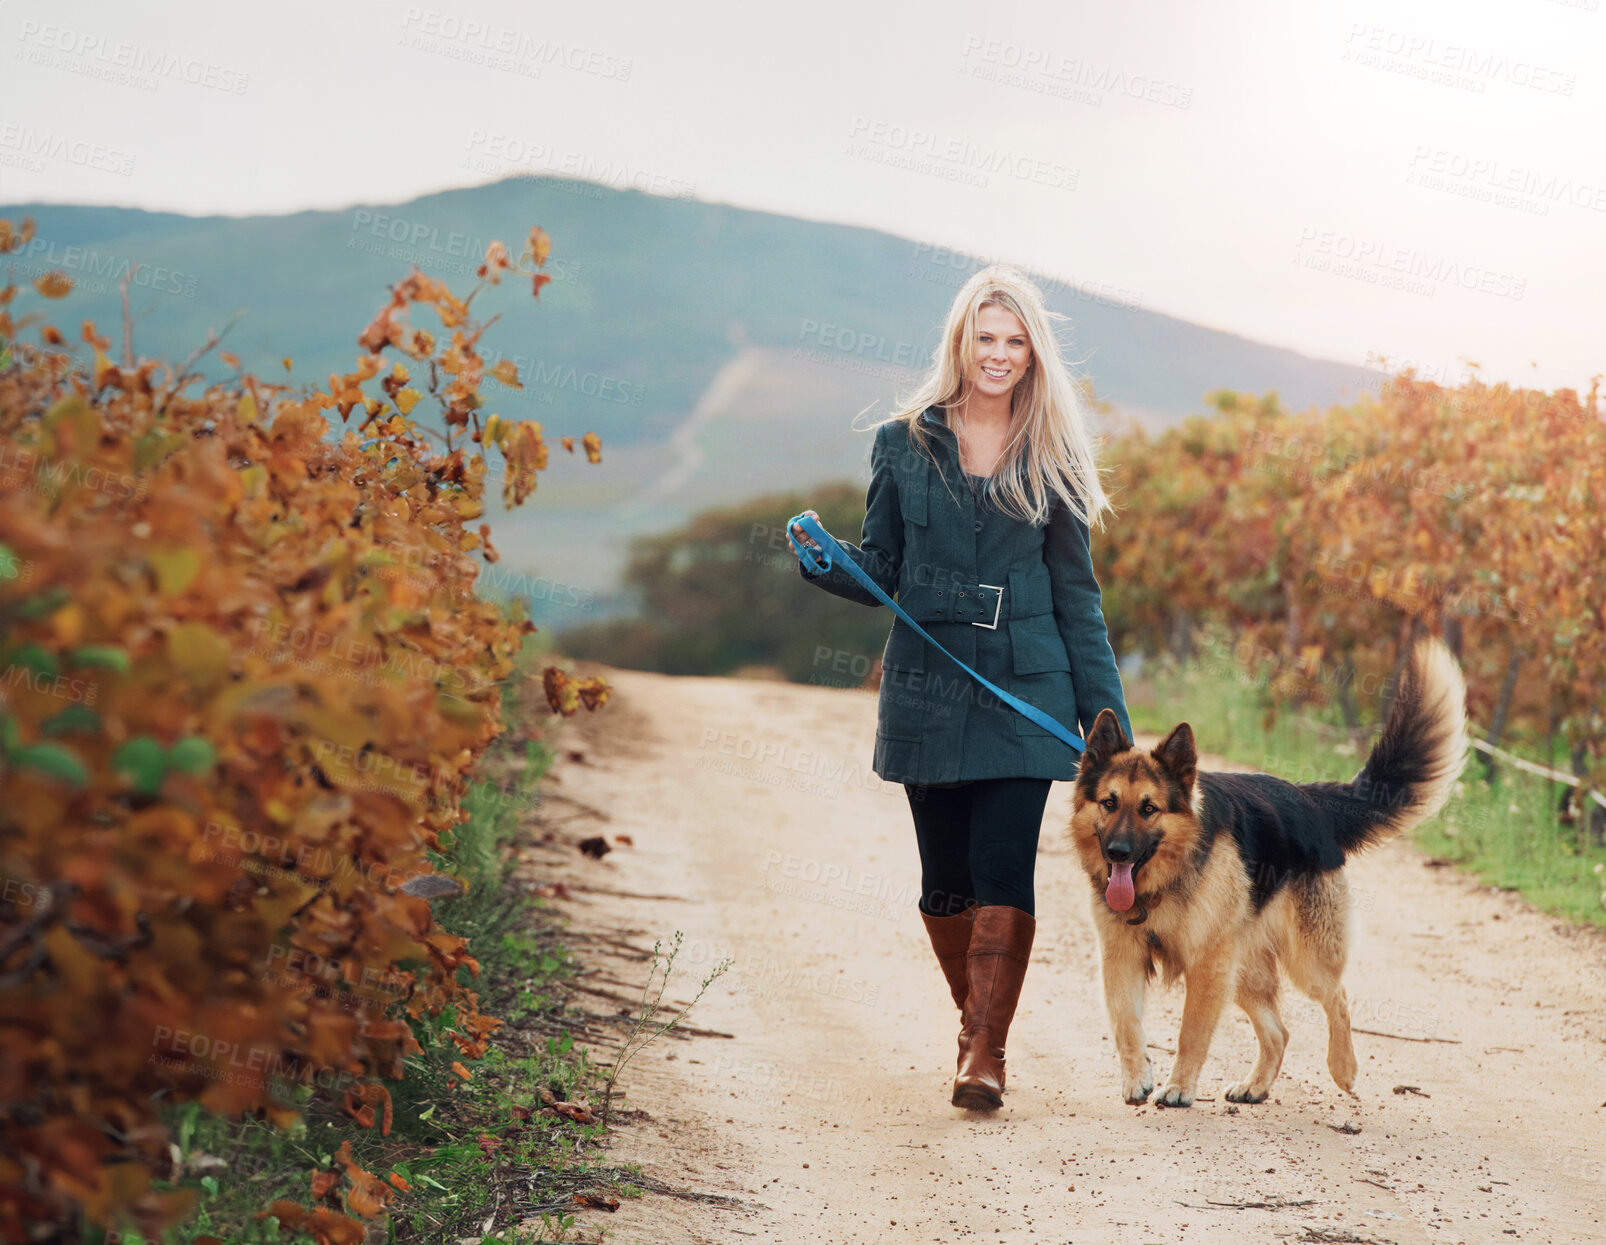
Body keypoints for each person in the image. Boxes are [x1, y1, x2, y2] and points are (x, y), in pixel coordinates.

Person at [788, 264, 1133, 1111]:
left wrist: (1108, 718)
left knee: (1002, 863)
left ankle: (985, 1054)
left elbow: (1077, 597)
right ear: (960, 342)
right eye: (987, 338)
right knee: (943, 882)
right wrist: (827, 563)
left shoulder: (1051, 452)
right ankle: (975, 1026)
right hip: (929, 684)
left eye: (1016, 342)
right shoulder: (902, 443)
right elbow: (885, 570)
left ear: (1033, 354)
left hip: (1029, 682)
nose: (1000, 355)